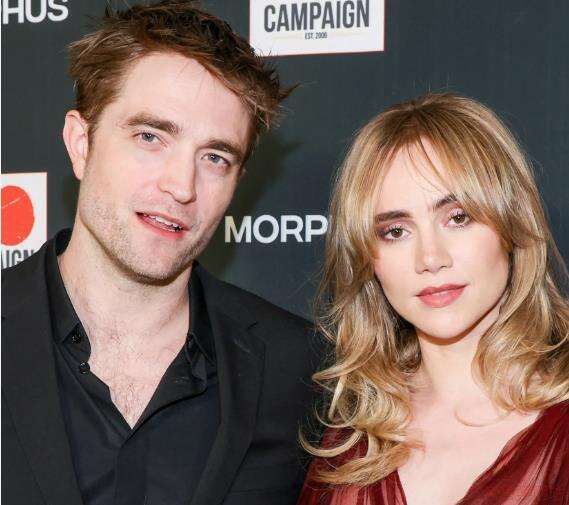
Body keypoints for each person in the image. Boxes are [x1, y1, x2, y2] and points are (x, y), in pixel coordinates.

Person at [2, 2, 319, 504]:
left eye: (215, 157)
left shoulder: (300, 370)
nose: (182, 186)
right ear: (81, 143)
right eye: (150, 137)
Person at [298, 93, 569, 505]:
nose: (430, 258)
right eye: (396, 231)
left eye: (458, 218)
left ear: (511, 224)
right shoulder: (347, 447)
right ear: (367, 258)